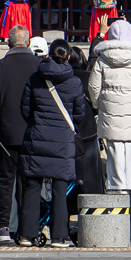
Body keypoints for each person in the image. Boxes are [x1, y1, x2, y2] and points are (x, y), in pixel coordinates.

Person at [21, 34, 92, 246]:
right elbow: (79, 114)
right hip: (63, 141)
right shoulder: (74, 82)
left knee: (32, 187)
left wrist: (38, 124)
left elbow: (25, 109)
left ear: (49, 55)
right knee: (61, 189)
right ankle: (59, 236)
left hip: (37, 138)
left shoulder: (35, 78)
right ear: (68, 57)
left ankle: (27, 234)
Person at [85, 17, 131, 208]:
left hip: (109, 113)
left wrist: (100, 104)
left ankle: (116, 188)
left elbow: (93, 87)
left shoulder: (102, 60)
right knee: (129, 148)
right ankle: (127, 186)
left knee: (113, 149)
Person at [0, 25, 39, 241]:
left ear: (8, 43)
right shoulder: (39, 65)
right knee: (29, 182)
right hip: (33, 131)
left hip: (7, 131)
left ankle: (2, 227)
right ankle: (27, 228)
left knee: (5, 182)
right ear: (27, 43)